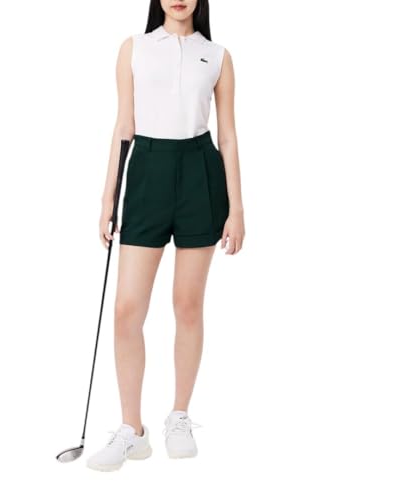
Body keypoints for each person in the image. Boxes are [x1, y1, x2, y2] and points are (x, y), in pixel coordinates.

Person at [87, 0, 245, 472]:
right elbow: (124, 126)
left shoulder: (217, 56)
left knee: (187, 304)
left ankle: (179, 416)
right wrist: (108, 198)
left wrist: (237, 208)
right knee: (126, 309)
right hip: (148, 173)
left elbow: (228, 135)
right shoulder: (134, 48)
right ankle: (131, 430)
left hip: (200, 173)